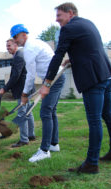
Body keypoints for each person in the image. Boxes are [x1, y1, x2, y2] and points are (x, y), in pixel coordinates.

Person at [41, 2, 111, 173]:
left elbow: (58, 55)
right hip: (106, 74)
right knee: (108, 114)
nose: (56, 20)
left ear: (70, 13)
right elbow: (88, 49)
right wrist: (73, 59)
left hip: (93, 79)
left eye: (59, 15)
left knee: (95, 120)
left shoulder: (68, 29)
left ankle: (91, 164)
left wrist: (46, 83)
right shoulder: (87, 23)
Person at [10, 24, 66, 162]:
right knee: (51, 111)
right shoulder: (37, 43)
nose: (15, 40)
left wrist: (24, 95)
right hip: (54, 78)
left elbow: (30, 74)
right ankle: (54, 144)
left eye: (16, 37)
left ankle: (44, 150)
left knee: (45, 112)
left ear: (23, 34)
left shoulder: (29, 49)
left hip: (54, 79)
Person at [0, 39, 36, 147]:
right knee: (28, 112)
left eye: (9, 45)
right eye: (6, 46)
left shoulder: (19, 56)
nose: (7, 48)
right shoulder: (20, 54)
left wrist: (5, 88)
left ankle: (24, 140)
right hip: (26, 88)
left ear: (16, 45)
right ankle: (31, 135)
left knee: (22, 114)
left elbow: (16, 76)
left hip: (23, 90)